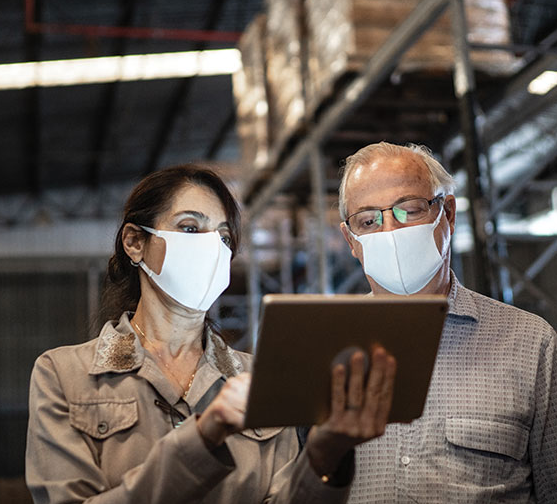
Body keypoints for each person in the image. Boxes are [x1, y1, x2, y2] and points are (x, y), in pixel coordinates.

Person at [26, 165, 397, 504]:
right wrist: (203, 438)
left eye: (223, 237)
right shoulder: (64, 374)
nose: (212, 248)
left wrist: (325, 455)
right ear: (135, 243)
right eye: (190, 228)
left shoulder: (262, 380)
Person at [336, 142, 557, 503]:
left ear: (447, 213)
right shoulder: (321, 351)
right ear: (351, 241)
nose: (390, 231)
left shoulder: (530, 345)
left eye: (410, 210)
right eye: (368, 221)